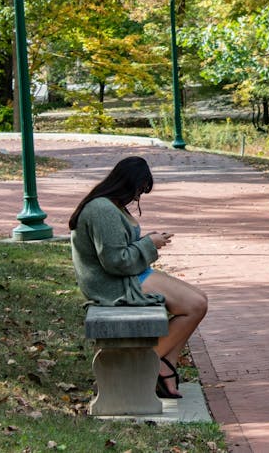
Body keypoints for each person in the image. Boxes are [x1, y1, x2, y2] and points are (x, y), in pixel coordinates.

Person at [69, 155, 207, 400]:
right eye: (139, 189)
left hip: (130, 275)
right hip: (114, 284)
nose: (137, 197)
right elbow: (115, 261)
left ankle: (166, 364)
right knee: (195, 306)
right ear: (127, 183)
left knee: (200, 299)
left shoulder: (111, 205)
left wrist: (147, 241)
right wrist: (149, 244)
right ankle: (145, 365)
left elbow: (120, 249)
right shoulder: (102, 209)